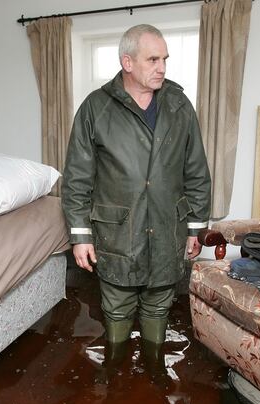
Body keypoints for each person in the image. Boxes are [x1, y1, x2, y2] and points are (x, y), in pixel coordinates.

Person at [61, 24, 212, 369]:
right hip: (118, 230)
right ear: (127, 62)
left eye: (165, 59)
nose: (162, 67)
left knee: (160, 301)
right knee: (116, 302)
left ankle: (154, 369)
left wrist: (195, 227)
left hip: (167, 223)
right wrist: (80, 235)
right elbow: (77, 178)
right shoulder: (95, 108)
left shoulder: (179, 105)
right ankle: (115, 371)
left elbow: (197, 171)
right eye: (153, 59)